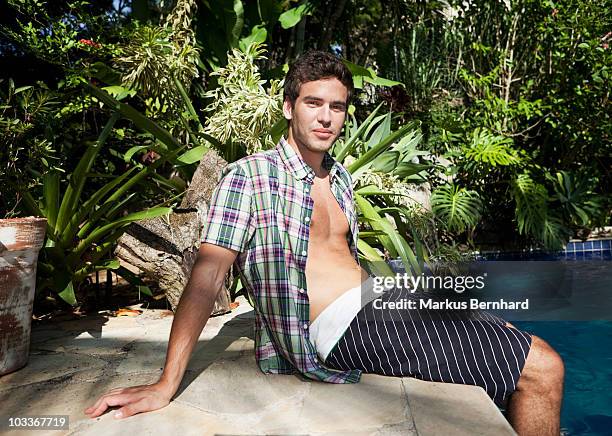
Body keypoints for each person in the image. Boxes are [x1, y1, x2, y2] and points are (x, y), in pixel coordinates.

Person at [85, 50, 564, 435]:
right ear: (290, 106)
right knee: (542, 367)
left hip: (382, 301)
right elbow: (208, 274)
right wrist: (168, 383)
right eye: (314, 103)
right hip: (340, 327)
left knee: (513, 338)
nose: (326, 117)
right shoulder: (251, 176)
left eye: (337, 107)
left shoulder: (338, 179)